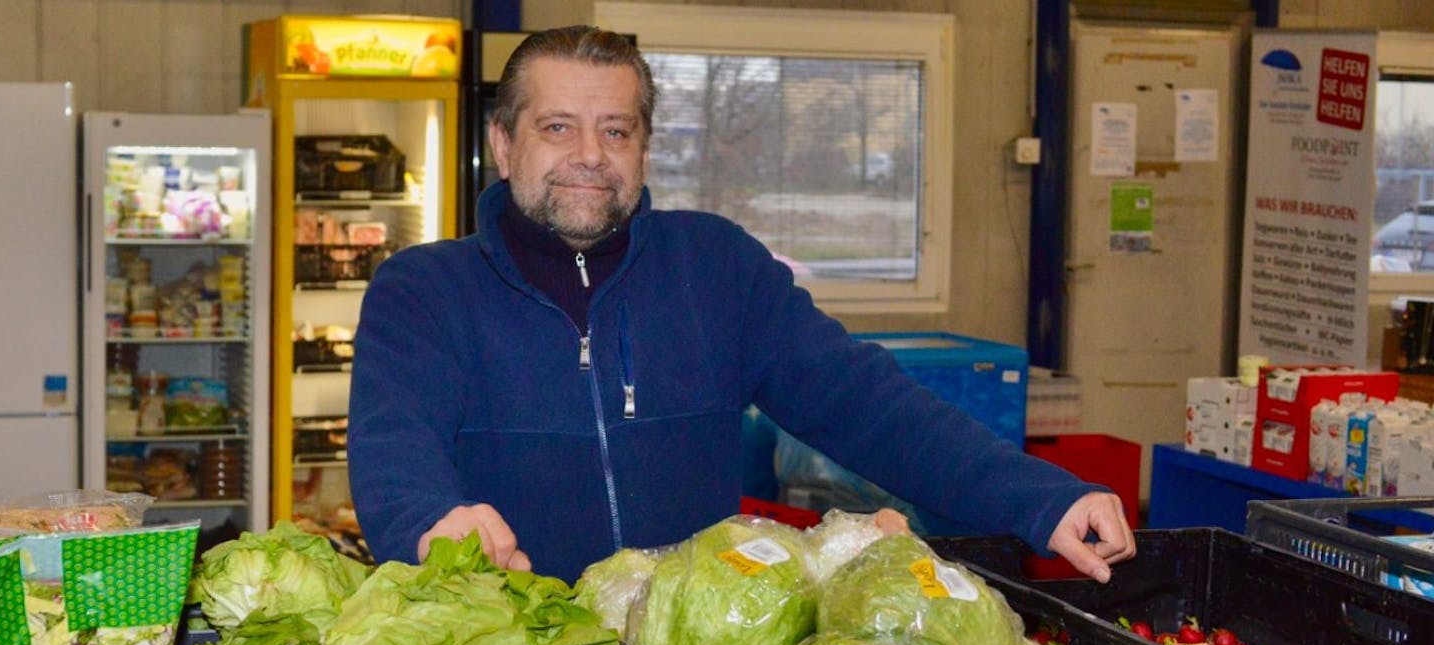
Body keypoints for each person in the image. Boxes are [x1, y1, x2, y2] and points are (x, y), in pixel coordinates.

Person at [347, 25, 1135, 584]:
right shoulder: (424, 291)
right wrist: (431, 522)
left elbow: (869, 404)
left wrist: (1039, 496)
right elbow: (393, 451)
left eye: (616, 131)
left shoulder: (717, 267)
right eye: (559, 127)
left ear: (644, 149)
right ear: (504, 143)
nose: (590, 155)